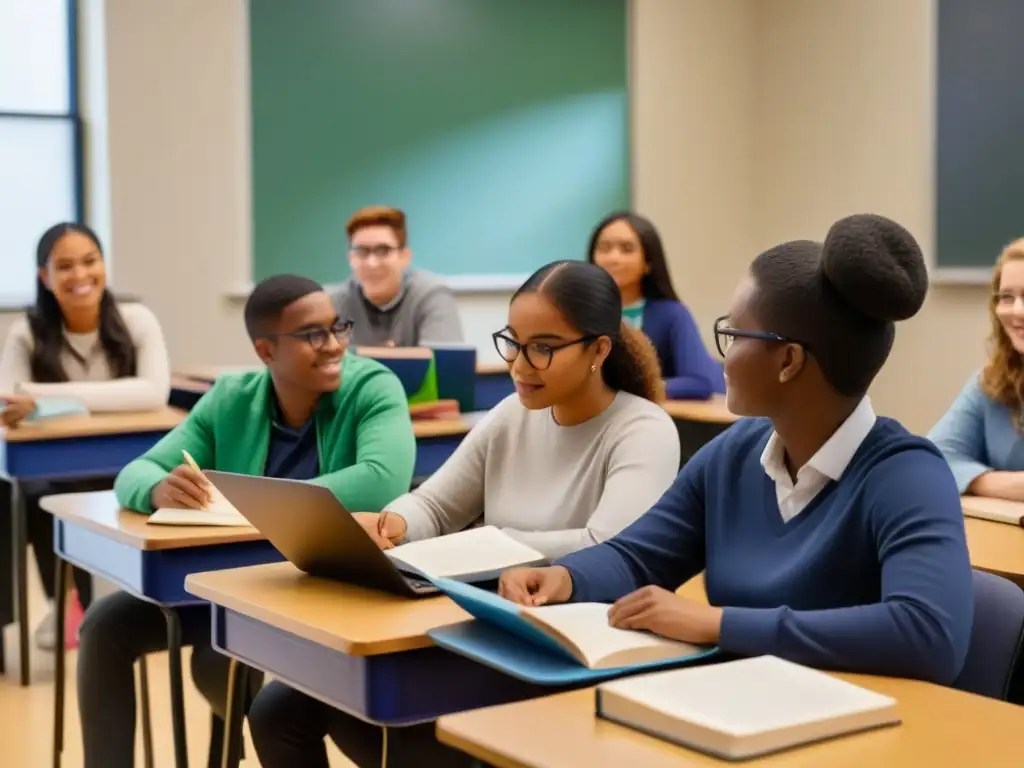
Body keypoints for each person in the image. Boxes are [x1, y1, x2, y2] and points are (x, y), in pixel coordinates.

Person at [502, 214, 974, 687]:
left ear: (788, 361)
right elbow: (639, 556)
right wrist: (566, 577)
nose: (721, 356)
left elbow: (928, 635)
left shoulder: (906, 475)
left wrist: (718, 624)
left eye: (733, 334)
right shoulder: (734, 454)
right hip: (737, 706)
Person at [248, 260, 682, 768]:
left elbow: (608, 545)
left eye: (542, 348)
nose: (519, 365)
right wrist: (395, 524)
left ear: (599, 349)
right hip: (486, 623)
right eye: (513, 342)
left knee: (391, 733)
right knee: (277, 710)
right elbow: (435, 501)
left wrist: (490, 541)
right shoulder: (513, 413)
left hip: (558, 651)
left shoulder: (643, 429)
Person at [75, 275, 417, 768]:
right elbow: (137, 470)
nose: (334, 345)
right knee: (105, 626)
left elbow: (382, 482)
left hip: (324, 588)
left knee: (224, 659)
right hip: (235, 583)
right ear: (265, 351)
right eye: (312, 335)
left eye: (338, 328)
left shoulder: (372, 386)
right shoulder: (233, 397)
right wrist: (156, 489)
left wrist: (253, 503)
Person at [0, 222, 171, 650]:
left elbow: (153, 392)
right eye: (65, 266)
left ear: (104, 264)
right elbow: (9, 401)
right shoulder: (27, 331)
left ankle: (131, 606)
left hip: (128, 461)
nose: (80, 276)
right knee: (27, 493)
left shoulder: (136, 319)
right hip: (54, 467)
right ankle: (65, 602)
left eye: (90, 261)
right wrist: (46, 402)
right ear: (45, 277)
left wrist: (43, 399)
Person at [588, 211, 724, 399]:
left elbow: (699, 382)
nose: (613, 258)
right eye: (604, 248)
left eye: (627, 249)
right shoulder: (580, 314)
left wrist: (631, 390)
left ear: (648, 263)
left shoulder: (672, 314)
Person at [929, 238, 1024, 498]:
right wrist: (1010, 485)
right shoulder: (993, 381)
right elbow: (932, 458)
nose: (1017, 311)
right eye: (1007, 297)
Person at [330, 205, 463, 347]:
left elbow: (445, 364)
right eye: (362, 251)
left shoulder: (431, 295)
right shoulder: (337, 303)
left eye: (383, 250)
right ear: (351, 258)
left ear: (404, 257)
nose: (372, 263)